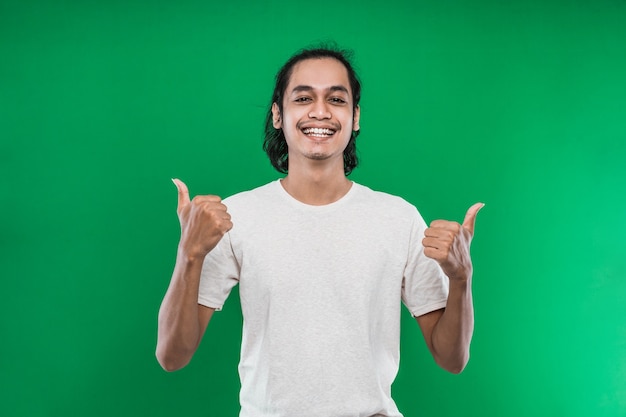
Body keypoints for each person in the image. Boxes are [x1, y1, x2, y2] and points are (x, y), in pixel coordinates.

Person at [156, 45, 484, 416]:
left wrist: (461, 278)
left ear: (355, 116)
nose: (320, 111)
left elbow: (451, 358)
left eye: (337, 99)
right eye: (303, 97)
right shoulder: (236, 217)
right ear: (278, 114)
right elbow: (172, 355)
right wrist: (189, 255)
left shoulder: (399, 218)